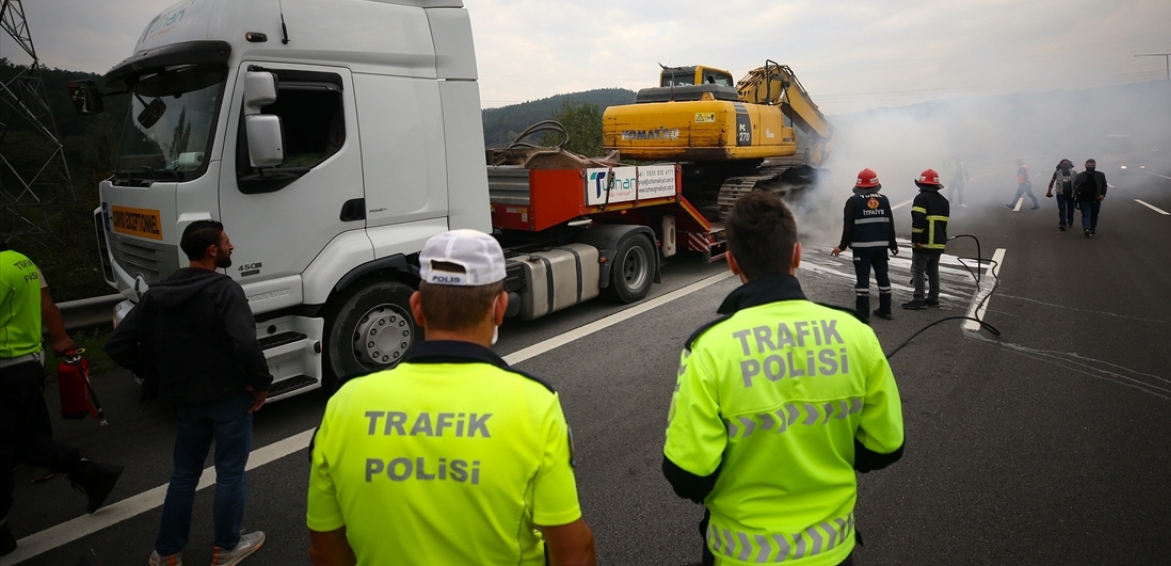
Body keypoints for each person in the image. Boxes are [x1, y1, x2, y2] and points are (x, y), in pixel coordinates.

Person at [307, 229, 597, 566]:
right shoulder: (534, 402)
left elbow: (325, 552)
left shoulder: (345, 404)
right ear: (500, 307)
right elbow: (574, 551)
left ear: (417, 307)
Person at [664, 191, 905, 566]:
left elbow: (687, 475)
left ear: (731, 262)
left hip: (737, 554)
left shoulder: (709, 349)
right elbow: (885, 447)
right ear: (796, 254)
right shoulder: (857, 334)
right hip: (832, 551)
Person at [106, 220, 272, 566]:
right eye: (227, 242)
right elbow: (245, 344)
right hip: (229, 396)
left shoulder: (158, 292)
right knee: (229, 472)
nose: (232, 247)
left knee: (184, 474)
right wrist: (260, 386)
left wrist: (154, 371)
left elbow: (118, 343)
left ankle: (168, 553)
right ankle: (226, 547)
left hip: (184, 400)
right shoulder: (225, 290)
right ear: (213, 250)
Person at [1, 239, 124, 556]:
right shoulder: (20, 261)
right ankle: (88, 472)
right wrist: (59, 336)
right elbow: (46, 304)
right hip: (28, 362)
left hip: (5, 367)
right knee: (16, 439)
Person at [830, 168, 899, 322]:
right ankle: (886, 310)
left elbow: (848, 227)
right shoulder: (884, 200)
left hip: (862, 249)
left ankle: (862, 314)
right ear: (876, 185)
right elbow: (890, 224)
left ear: (859, 185)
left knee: (863, 281)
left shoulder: (853, 201)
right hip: (881, 248)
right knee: (883, 278)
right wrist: (893, 244)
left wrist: (841, 246)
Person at [903, 169, 950, 310]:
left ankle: (918, 299)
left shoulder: (921, 199)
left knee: (918, 271)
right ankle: (933, 298)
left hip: (923, 244)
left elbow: (918, 220)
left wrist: (916, 240)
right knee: (933, 270)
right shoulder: (944, 201)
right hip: (939, 243)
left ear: (921, 185)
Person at [1072, 159, 1108, 237]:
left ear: (1095, 166)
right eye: (1089, 165)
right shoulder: (1080, 175)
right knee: (1086, 214)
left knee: (1094, 215)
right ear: (1086, 166)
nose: (1091, 167)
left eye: (1092, 165)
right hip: (1084, 199)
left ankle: (1093, 229)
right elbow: (1074, 185)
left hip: (1096, 199)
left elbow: (1104, 185)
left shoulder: (1100, 175)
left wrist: (1103, 194)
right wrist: (1077, 188)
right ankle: (1087, 229)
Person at [1045, 159, 1078, 231]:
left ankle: (1070, 222)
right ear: (1060, 165)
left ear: (1069, 165)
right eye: (1063, 164)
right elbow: (1052, 181)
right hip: (1061, 193)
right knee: (1062, 208)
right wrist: (1049, 191)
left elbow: (1077, 183)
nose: (1065, 165)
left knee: (1071, 209)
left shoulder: (1074, 173)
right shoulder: (1057, 173)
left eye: (1066, 164)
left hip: (1071, 194)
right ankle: (1062, 223)